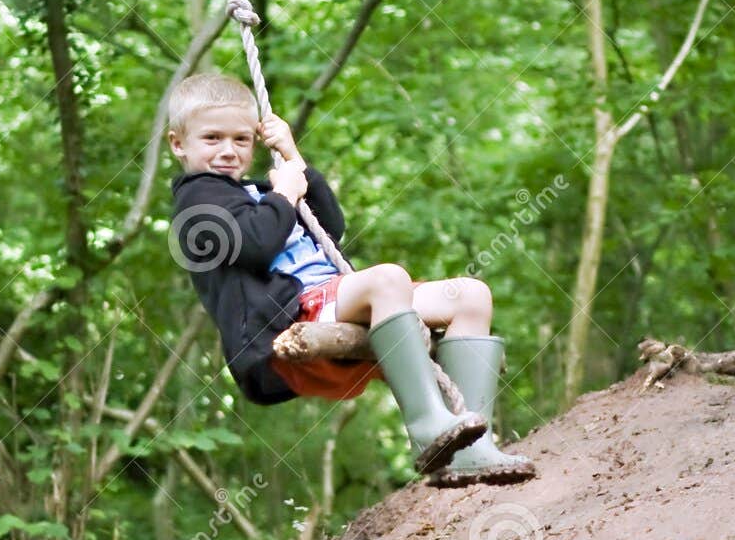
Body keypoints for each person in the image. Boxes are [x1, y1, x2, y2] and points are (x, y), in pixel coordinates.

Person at [167, 72, 536, 484]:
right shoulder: (195, 201)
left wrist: (294, 160)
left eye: (241, 139)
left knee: (471, 295)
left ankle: (471, 445)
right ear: (178, 144)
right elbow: (255, 244)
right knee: (387, 278)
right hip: (287, 319)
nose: (228, 151)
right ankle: (426, 424)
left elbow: (331, 227)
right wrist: (284, 194)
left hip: (333, 298)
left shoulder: (258, 190)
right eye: (212, 138)